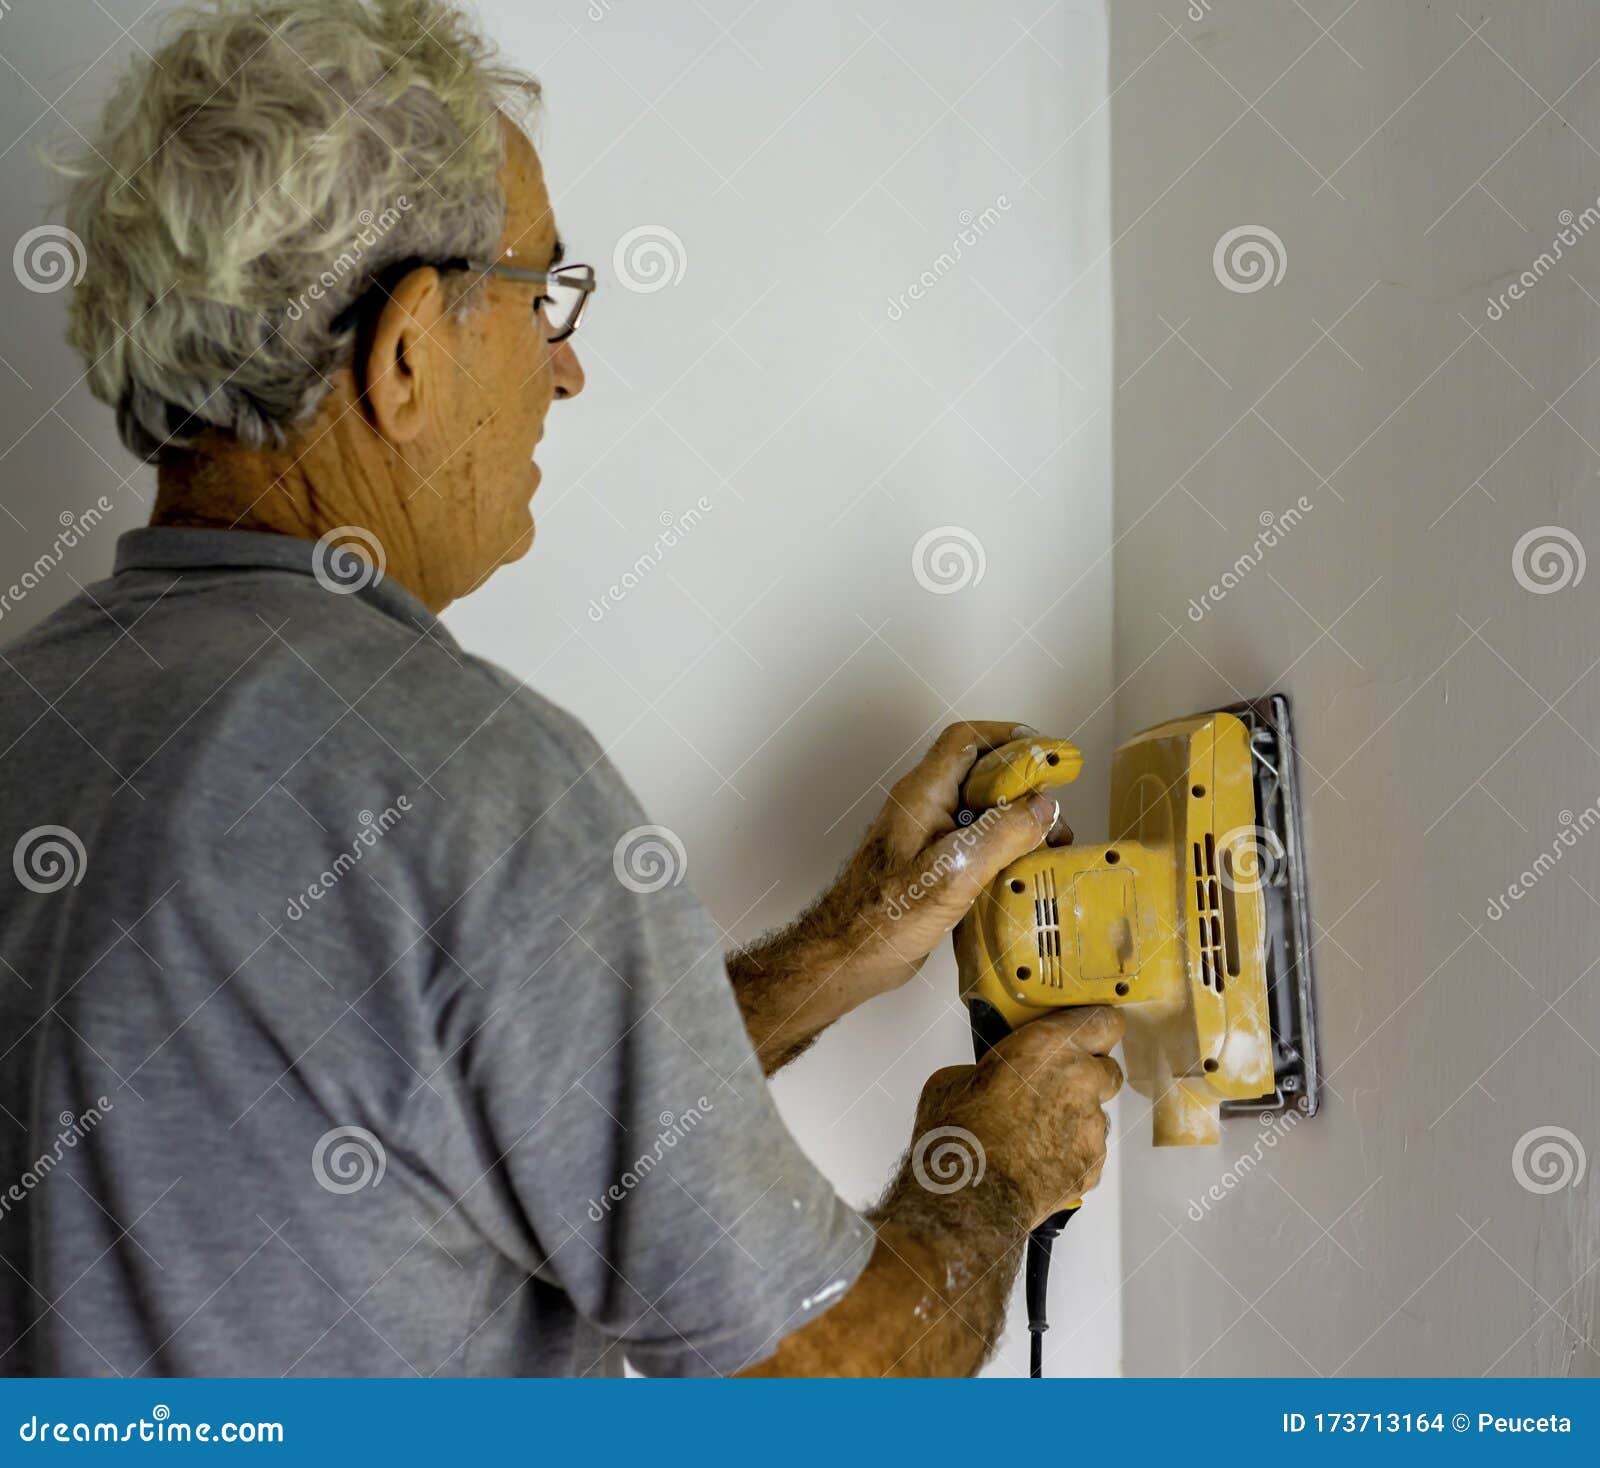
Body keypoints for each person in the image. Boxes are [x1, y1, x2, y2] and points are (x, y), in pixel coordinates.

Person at [0, 0, 1119, 1377]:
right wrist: (990, 1172)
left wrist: (844, 949)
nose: (567, 366)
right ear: (409, 349)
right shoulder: (462, 775)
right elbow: (828, 1390)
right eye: (543, 297)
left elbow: (466, 1094)